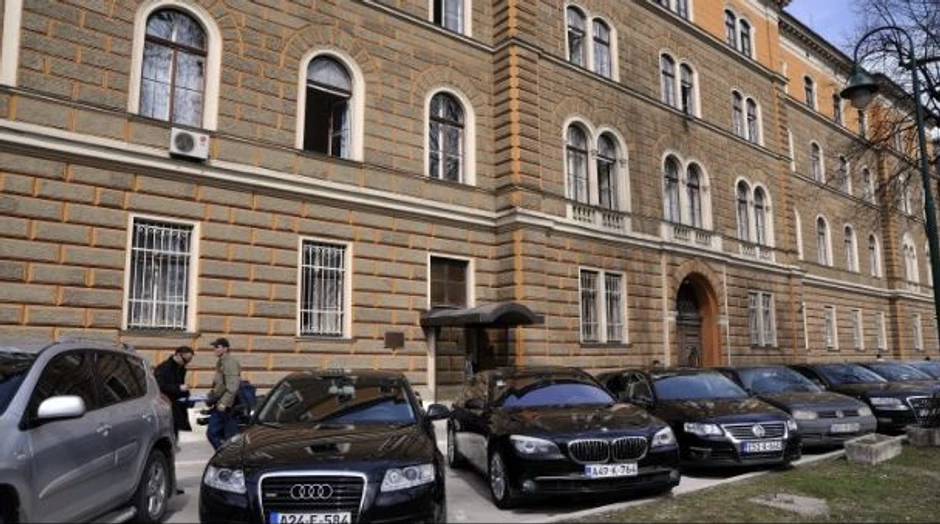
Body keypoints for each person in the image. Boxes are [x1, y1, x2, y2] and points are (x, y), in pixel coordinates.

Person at [153, 346, 194, 446]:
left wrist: (188, 398)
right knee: (168, 436)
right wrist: (179, 388)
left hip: (176, 407)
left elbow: (181, 386)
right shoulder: (163, 368)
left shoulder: (181, 368)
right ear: (178, 355)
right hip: (166, 405)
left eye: (189, 361)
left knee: (174, 435)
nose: (186, 363)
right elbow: (159, 386)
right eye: (185, 360)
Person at [206, 338, 242, 450]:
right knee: (226, 435)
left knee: (214, 433)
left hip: (226, 405)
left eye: (217, 347)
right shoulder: (221, 362)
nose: (214, 349)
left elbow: (233, 385)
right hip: (220, 403)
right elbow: (220, 384)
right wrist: (211, 396)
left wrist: (224, 403)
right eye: (214, 347)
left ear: (225, 349)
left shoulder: (230, 362)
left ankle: (225, 455)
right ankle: (228, 454)